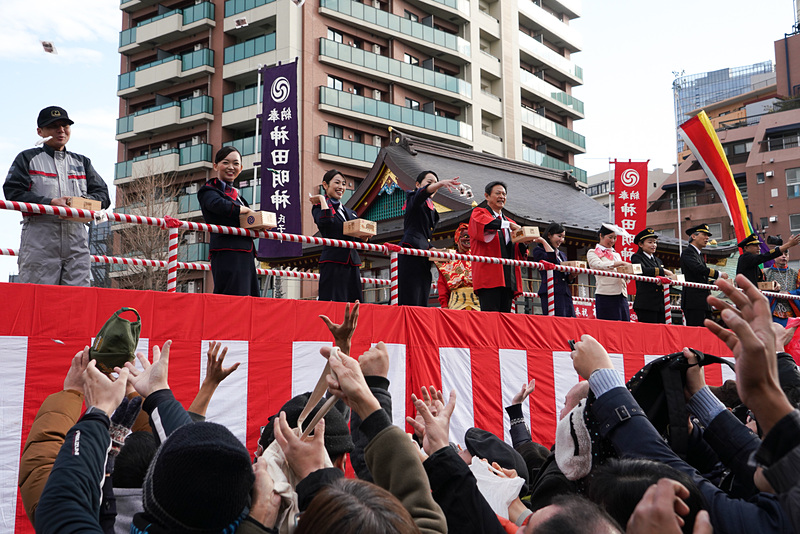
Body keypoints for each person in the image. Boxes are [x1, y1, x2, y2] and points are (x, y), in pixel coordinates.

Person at [3, 106, 110, 286]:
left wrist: (81, 204)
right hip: (40, 237)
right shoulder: (27, 158)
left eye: (65, 125)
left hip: (77, 239)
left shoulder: (82, 162)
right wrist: (50, 203)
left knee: (76, 300)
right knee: (38, 298)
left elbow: (103, 196)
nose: (61, 130)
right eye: (54, 126)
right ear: (40, 131)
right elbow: (13, 193)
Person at [197, 146, 260, 297]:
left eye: (236, 164)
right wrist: (244, 210)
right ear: (215, 165)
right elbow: (218, 206)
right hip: (227, 252)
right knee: (231, 299)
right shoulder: (208, 190)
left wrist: (260, 225)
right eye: (226, 162)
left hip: (246, 253)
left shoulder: (239, 196)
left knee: (249, 298)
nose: (231, 167)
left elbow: (247, 221)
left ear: (241, 167)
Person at [398, 171, 461, 307]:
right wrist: (440, 183)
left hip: (423, 255)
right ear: (417, 184)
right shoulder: (413, 197)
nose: (434, 187)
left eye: (436, 183)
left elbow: (425, 237)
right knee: (411, 298)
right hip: (410, 252)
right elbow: (422, 194)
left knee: (422, 298)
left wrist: (435, 249)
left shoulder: (432, 209)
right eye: (429, 182)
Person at [468, 181, 529, 312]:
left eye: (504, 194)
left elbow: (518, 250)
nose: (502, 196)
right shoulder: (479, 213)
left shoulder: (511, 222)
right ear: (487, 196)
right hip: (489, 276)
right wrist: (509, 226)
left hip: (508, 276)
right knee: (490, 318)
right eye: (498, 193)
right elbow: (487, 225)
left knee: (505, 318)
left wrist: (525, 242)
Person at [311, 169, 363, 302]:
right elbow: (326, 221)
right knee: (334, 303)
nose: (341, 187)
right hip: (333, 262)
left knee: (355, 303)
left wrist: (364, 236)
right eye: (337, 183)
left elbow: (357, 238)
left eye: (344, 184)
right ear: (325, 185)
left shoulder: (350, 212)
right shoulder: (318, 207)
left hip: (352, 262)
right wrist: (322, 199)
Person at [680, 223, 728, 326]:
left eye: (708, 236)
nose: (707, 238)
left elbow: (701, 277)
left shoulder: (699, 254)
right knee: (696, 333)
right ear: (694, 236)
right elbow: (698, 269)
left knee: (706, 333)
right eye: (704, 235)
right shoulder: (688, 252)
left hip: (703, 301)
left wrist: (714, 282)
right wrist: (718, 274)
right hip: (693, 301)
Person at [530, 222, 576, 317]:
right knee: (555, 322)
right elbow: (551, 260)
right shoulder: (538, 250)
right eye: (559, 236)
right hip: (551, 291)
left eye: (563, 237)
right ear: (549, 235)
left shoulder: (562, 255)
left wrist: (572, 275)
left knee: (570, 322)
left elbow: (566, 277)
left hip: (565, 292)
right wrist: (543, 241)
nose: (561, 240)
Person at [586, 224, 630, 321]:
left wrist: (628, 273)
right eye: (610, 237)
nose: (613, 241)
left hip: (621, 294)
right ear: (601, 236)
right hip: (606, 294)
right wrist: (619, 263)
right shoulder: (592, 252)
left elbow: (621, 271)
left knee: (625, 327)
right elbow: (598, 265)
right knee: (608, 328)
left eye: (615, 238)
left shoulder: (616, 254)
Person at [630, 228, 674, 324]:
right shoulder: (636, 257)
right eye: (650, 242)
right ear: (641, 244)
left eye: (655, 242)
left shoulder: (658, 261)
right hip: (646, 303)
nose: (654, 245)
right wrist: (663, 271)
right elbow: (641, 270)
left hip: (660, 304)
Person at [436, 223, 479, 310]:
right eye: (465, 236)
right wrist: (444, 305)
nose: (468, 239)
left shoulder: (478, 257)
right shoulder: (448, 258)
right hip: (456, 305)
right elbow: (442, 284)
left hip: (478, 304)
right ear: (457, 238)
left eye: (471, 236)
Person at [764, 245, 800, 326]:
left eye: (786, 254)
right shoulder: (765, 273)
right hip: (772, 312)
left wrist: (789, 294)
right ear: (774, 257)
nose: (784, 256)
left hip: (792, 311)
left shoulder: (796, 273)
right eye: (780, 254)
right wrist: (772, 292)